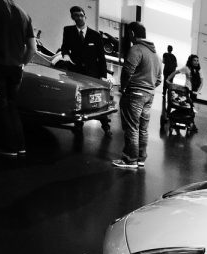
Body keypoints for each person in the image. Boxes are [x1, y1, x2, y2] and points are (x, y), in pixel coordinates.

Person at [0, 0, 36, 157]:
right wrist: (21, 65)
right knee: (12, 106)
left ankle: (8, 147)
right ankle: (19, 146)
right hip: (15, 69)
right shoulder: (24, 14)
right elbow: (32, 48)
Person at [112, 21, 161, 169]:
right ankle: (140, 158)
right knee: (143, 128)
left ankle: (130, 159)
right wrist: (148, 87)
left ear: (132, 33)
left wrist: (124, 87)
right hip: (149, 95)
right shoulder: (156, 55)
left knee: (132, 127)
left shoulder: (136, 49)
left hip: (135, 93)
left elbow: (127, 71)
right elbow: (159, 80)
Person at [60, 5, 111, 136]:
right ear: (72, 17)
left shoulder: (95, 35)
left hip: (92, 73)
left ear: (85, 16)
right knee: (78, 99)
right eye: (76, 16)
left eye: (81, 15)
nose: (79, 18)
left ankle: (106, 126)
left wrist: (103, 76)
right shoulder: (68, 31)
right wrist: (65, 55)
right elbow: (64, 47)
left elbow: (101, 57)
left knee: (97, 100)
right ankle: (78, 125)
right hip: (76, 71)